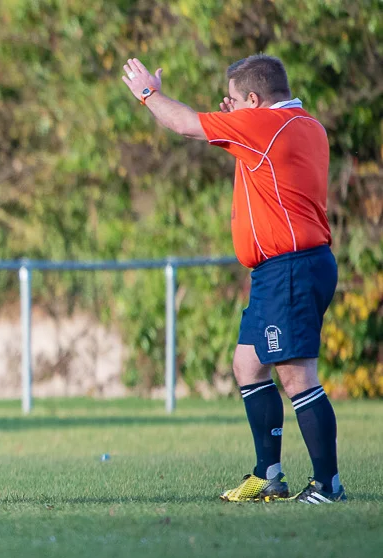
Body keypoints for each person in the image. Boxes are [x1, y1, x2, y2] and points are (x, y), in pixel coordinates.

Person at [121, 55, 342, 503]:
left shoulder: (265, 128)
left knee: (297, 376)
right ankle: (269, 474)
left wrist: (149, 94)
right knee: (247, 365)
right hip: (278, 270)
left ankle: (328, 485)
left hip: (292, 268)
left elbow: (184, 124)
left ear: (256, 101)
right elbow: (260, 157)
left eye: (239, 101)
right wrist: (239, 121)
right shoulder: (304, 125)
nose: (232, 108)